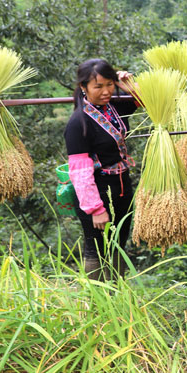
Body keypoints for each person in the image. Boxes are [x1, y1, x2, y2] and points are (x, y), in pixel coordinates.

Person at [64, 59, 138, 281]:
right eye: (98, 86)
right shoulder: (78, 123)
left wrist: (128, 84)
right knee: (95, 247)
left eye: (110, 84)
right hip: (97, 192)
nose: (106, 91)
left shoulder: (115, 107)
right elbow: (79, 172)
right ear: (84, 87)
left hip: (122, 187)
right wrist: (96, 209)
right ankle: (95, 301)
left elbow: (147, 101)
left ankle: (117, 296)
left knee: (119, 245)